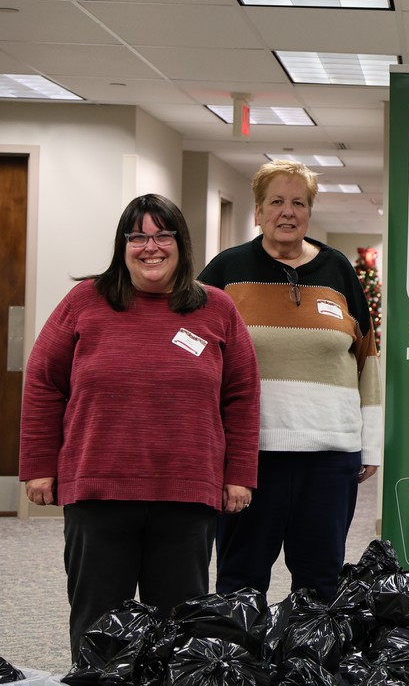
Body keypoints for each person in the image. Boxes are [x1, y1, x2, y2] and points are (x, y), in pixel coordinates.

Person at [19, 194, 260, 654]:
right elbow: (43, 381)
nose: (151, 247)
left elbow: (243, 397)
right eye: (138, 236)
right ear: (123, 245)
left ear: (181, 243)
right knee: (98, 624)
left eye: (162, 235)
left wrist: (238, 476)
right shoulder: (84, 301)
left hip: (187, 495)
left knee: (179, 627)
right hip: (98, 491)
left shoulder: (216, 308)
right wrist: (38, 465)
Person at [198, 159, 382, 603]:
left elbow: (367, 360)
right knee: (240, 580)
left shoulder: (338, 270)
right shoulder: (226, 271)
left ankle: (309, 669)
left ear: (309, 212)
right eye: (276, 201)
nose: (288, 212)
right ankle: (239, 668)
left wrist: (370, 444)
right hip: (250, 457)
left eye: (299, 202)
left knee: (320, 584)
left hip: (329, 455)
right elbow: (195, 356)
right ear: (258, 212)